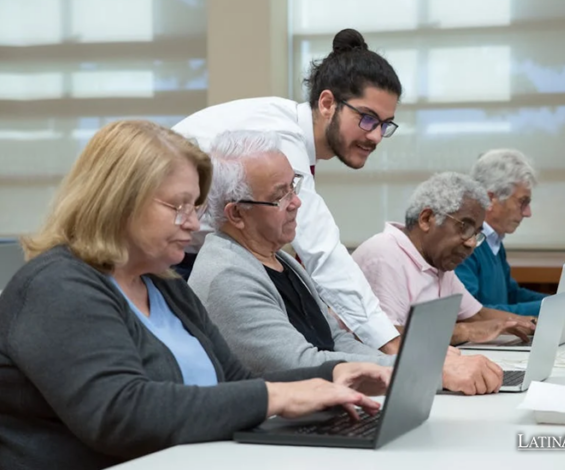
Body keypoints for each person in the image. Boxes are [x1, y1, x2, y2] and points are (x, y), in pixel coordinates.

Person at [0, 120, 392, 470]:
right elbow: (120, 414)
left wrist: (331, 374)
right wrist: (274, 399)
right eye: (178, 206)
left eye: (195, 206)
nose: (193, 222)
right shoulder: (57, 288)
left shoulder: (165, 285)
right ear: (118, 201)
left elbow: (235, 381)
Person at [187, 130, 504, 395]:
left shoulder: (281, 260)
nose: (296, 202)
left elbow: (335, 338)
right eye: (280, 195)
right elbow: (300, 363)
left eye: (293, 186)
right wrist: (425, 371)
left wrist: (418, 363)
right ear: (237, 214)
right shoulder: (226, 276)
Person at [172, 28, 403, 354]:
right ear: (327, 103)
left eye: (385, 124)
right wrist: (394, 346)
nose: (376, 136)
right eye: (367, 119)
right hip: (161, 262)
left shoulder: (290, 132)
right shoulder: (277, 137)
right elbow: (323, 253)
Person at [353, 173, 538, 346]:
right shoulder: (384, 256)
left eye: (476, 234)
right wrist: (464, 331)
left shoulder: (437, 261)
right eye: (465, 228)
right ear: (426, 219)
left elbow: (478, 315)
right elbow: (386, 340)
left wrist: (532, 325)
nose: (472, 243)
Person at [456, 149, 565, 316]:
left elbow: (512, 295)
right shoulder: (465, 244)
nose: (528, 213)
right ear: (491, 199)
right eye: (522, 202)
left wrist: (563, 301)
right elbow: (475, 313)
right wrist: (556, 307)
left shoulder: (493, 240)